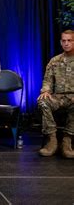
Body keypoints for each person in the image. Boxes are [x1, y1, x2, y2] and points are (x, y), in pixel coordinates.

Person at [37, 29, 74, 158]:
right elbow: (47, 80)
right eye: (64, 41)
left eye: (69, 40)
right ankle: (52, 139)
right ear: (60, 42)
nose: (66, 43)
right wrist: (46, 91)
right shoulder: (55, 61)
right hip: (58, 97)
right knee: (42, 101)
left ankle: (67, 140)